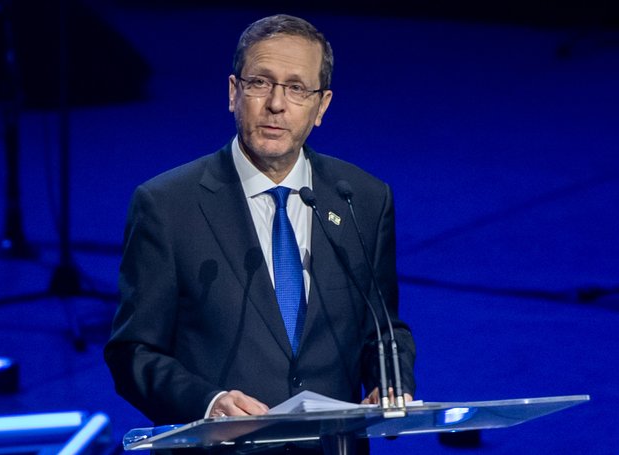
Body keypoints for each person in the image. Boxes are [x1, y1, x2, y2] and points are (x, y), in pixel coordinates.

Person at [104, 13, 416, 452]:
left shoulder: (362, 199)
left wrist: (390, 381)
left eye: (296, 88)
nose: (276, 104)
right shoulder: (167, 205)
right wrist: (208, 403)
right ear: (234, 93)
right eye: (260, 83)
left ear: (321, 106)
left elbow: (383, 330)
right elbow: (132, 352)